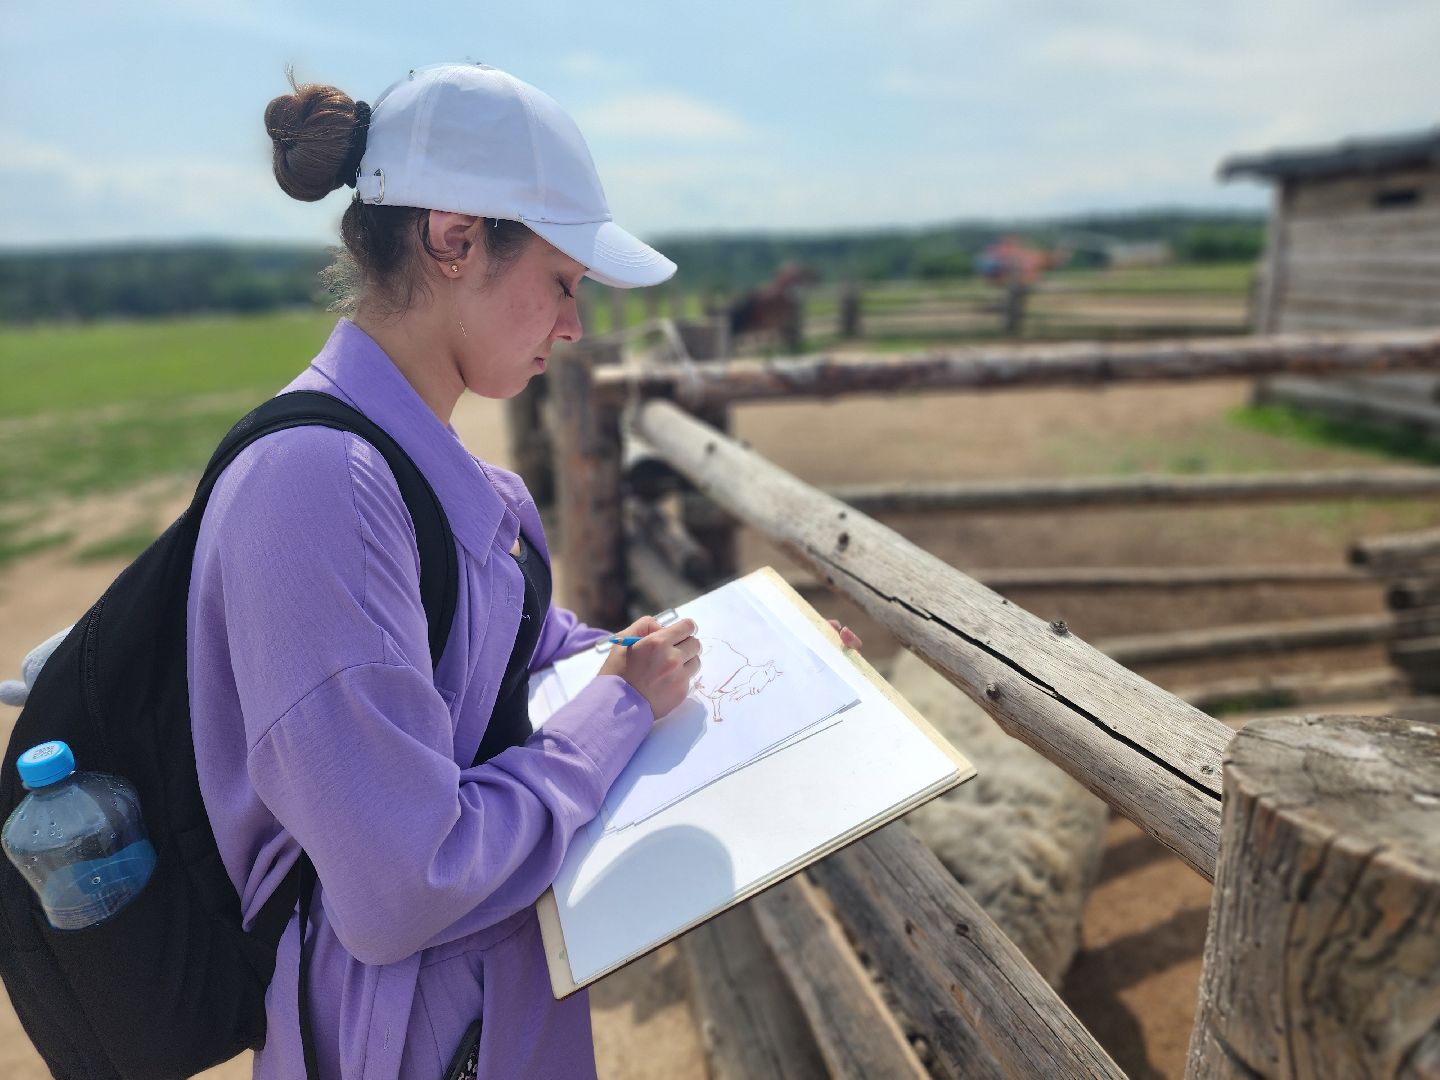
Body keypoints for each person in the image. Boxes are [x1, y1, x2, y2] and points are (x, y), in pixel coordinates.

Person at [190, 60, 863, 1079]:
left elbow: (536, 662)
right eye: (561, 281)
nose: (574, 324)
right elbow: (399, 886)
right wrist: (622, 712)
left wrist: (748, 655)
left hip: (487, 1017)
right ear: (456, 239)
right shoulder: (314, 486)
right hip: (400, 1042)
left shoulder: (449, 478)